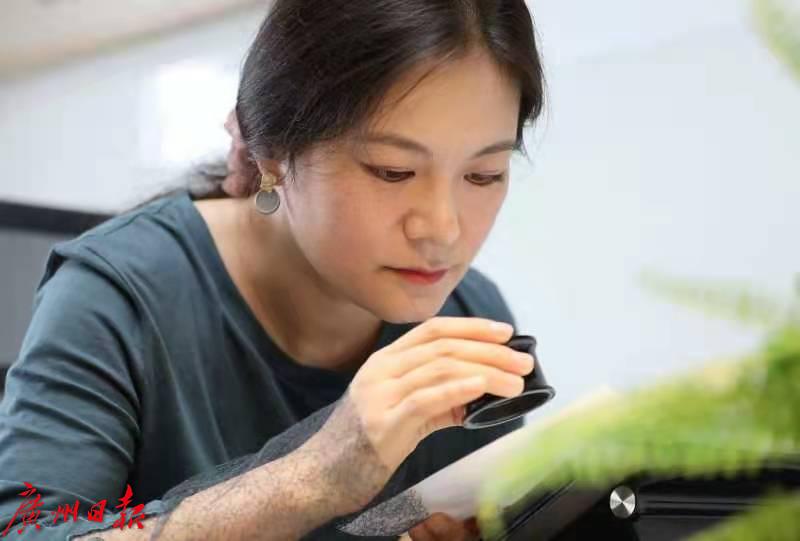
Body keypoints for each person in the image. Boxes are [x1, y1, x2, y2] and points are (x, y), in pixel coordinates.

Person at [0, 0, 545, 539]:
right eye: (393, 171)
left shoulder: (470, 316)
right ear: (272, 154)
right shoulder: (119, 297)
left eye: (484, 175)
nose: (443, 230)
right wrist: (311, 478)